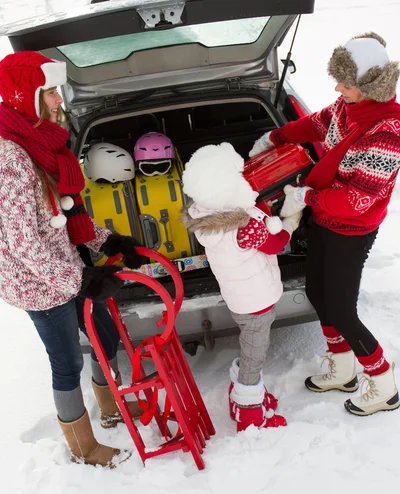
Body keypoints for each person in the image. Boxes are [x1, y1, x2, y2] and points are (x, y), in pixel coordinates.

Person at [0, 51, 146, 467]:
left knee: (105, 334)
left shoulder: (44, 141)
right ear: (23, 96)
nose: (58, 100)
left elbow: (63, 214)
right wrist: (79, 282)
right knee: (67, 361)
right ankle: (84, 447)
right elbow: (24, 243)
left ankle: (113, 405)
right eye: (48, 92)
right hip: (35, 282)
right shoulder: (10, 157)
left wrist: (108, 240)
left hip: (66, 265)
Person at [249, 32, 400, 416]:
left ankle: (382, 383)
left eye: (345, 83)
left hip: (351, 231)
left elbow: (357, 200)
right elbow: (318, 123)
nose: (337, 88)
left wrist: (306, 196)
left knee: (342, 309)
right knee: (317, 293)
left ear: (370, 86)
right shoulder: (348, 109)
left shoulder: (388, 134)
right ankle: (344, 368)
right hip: (324, 220)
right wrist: (276, 135)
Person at [181, 142, 299, 431]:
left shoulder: (207, 215)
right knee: (254, 353)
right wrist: (290, 219)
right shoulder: (245, 226)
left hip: (240, 297)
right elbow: (276, 243)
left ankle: (245, 393)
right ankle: (249, 410)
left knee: (250, 346)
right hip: (256, 300)